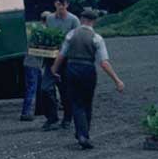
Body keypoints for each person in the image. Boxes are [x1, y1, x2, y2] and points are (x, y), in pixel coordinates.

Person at [50, 9, 124, 149]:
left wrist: (54, 69)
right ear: (93, 21)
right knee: (87, 103)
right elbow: (103, 63)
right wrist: (117, 80)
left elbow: (61, 55)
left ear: (81, 19)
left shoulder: (71, 35)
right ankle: (84, 134)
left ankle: (81, 134)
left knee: (76, 103)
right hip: (88, 70)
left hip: (72, 69)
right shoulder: (97, 38)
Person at [41, 0, 80, 131]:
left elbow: (77, 41)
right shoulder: (50, 19)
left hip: (66, 60)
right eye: (58, 5)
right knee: (45, 89)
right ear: (55, 4)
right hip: (51, 59)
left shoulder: (74, 20)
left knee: (65, 91)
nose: (60, 8)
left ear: (67, 5)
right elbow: (46, 36)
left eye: (62, 6)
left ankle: (67, 118)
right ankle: (52, 118)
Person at [20, 11, 50, 121]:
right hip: (32, 63)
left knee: (38, 87)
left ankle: (39, 109)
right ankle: (25, 112)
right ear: (46, 20)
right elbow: (37, 49)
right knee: (32, 87)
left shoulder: (37, 30)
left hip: (32, 63)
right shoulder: (41, 31)